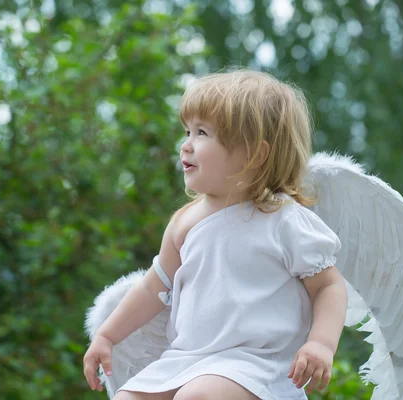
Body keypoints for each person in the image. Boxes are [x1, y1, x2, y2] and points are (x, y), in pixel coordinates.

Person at [83, 70, 348, 400]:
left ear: (254, 153)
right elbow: (153, 287)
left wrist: (321, 344)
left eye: (202, 132)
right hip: (185, 359)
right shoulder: (184, 223)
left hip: (256, 365)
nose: (186, 145)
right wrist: (107, 336)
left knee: (198, 396)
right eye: (187, 131)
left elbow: (328, 285)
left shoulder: (284, 220)